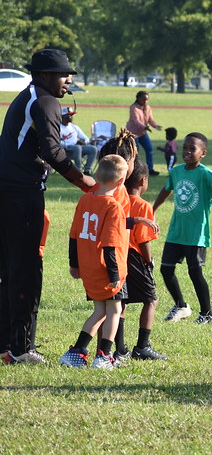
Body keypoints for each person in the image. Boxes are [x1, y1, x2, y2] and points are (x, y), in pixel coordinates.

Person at [0, 48, 95, 364]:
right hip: (22, 195)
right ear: (43, 75)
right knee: (26, 270)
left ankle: (6, 344)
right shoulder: (45, 102)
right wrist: (84, 181)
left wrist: (58, 118)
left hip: (8, 193)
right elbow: (53, 152)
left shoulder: (33, 97)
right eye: (63, 74)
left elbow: (33, 134)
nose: (68, 79)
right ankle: (21, 348)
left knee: (9, 269)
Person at [152, 132, 212, 325]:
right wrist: (152, 210)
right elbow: (166, 190)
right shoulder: (177, 171)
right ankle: (180, 305)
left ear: (203, 153)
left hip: (196, 233)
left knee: (194, 272)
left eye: (192, 149)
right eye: (185, 148)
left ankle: (207, 313)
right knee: (166, 269)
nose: (187, 152)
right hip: (176, 231)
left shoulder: (206, 174)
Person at [59, 155, 131, 370]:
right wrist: (114, 275)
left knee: (99, 311)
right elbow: (110, 244)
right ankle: (104, 356)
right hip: (108, 268)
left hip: (88, 266)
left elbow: (73, 236)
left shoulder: (85, 200)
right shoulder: (113, 207)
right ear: (120, 183)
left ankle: (76, 353)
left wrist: (74, 265)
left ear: (97, 176)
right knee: (115, 310)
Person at [116, 163, 168, 361]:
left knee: (121, 302)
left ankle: (120, 348)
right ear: (143, 181)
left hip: (118, 254)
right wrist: (148, 261)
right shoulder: (143, 205)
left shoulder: (118, 200)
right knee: (151, 300)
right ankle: (142, 347)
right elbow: (143, 239)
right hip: (135, 257)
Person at [126, 90, 162, 176]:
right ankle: (134, 170)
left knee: (149, 148)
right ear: (138, 99)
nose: (145, 101)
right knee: (135, 152)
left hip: (142, 133)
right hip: (133, 133)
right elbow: (136, 121)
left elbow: (150, 119)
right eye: (143, 99)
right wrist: (145, 127)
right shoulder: (134, 107)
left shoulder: (148, 108)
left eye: (147, 100)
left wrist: (155, 126)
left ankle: (150, 169)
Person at [58, 107, 97, 175]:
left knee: (93, 149)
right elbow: (57, 142)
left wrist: (84, 142)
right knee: (77, 148)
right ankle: (78, 171)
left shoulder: (74, 127)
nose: (71, 117)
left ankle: (87, 170)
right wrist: (69, 144)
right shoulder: (58, 127)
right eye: (69, 115)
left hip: (76, 148)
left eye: (72, 115)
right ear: (63, 116)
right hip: (65, 149)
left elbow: (86, 138)